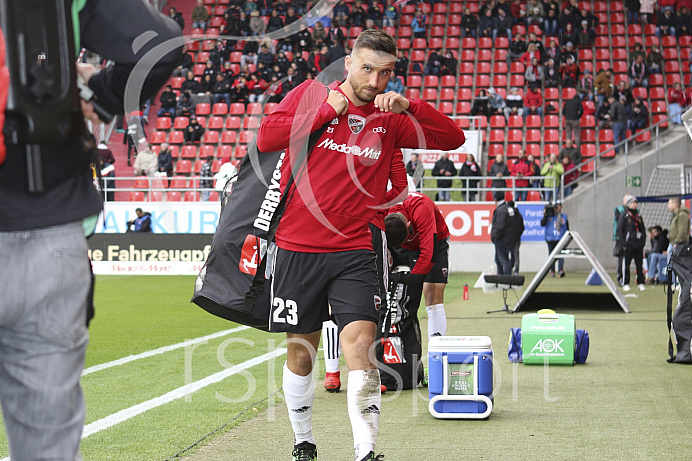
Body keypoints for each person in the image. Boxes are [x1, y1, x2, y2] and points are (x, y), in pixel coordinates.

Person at [254, 29, 465, 461]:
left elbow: (453, 138)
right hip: (298, 247)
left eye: (386, 72)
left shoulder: (391, 117)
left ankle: (366, 452)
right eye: (367, 68)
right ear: (348, 63)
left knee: (361, 345)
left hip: (355, 250)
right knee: (301, 354)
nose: (375, 80)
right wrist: (324, 113)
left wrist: (412, 106)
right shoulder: (312, 95)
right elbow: (266, 138)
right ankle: (303, 442)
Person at [0, 2, 180, 459]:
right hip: (45, 218)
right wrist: (96, 93)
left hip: (44, 218)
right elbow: (160, 46)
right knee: (49, 446)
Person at [385, 192, 452, 339]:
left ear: (409, 225)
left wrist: (413, 280)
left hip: (434, 242)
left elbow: (428, 254)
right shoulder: (383, 207)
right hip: (396, 244)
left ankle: (436, 353)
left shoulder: (422, 208)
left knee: (433, 296)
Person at [617, 195, 647, 291]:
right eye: (633, 203)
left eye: (636, 203)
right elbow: (620, 230)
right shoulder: (624, 215)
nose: (635, 205)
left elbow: (643, 230)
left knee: (639, 264)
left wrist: (642, 242)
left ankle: (640, 282)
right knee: (626, 265)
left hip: (638, 245)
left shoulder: (639, 216)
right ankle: (626, 282)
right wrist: (624, 243)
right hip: (628, 244)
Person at [491, 197, 524, 275]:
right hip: (513, 238)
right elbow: (521, 227)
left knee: (503, 260)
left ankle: (506, 278)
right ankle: (512, 272)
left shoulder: (502, 211)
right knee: (512, 256)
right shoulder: (517, 215)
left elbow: (500, 225)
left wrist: (495, 236)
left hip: (503, 239)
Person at [665, 197, 691, 286]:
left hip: (679, 244)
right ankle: (674, 282)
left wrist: (677, 242)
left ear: (675, 204)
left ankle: (679, 282)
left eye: (670, 204)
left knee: (678, 264)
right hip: (673, 243)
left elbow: (682, 230)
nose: (668, 206)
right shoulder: (675, 215)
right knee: (672, 264)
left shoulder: (682, 215)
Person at [540, 201, 569, 277]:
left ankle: (560, 270)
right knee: (551, 256)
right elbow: (542, 223)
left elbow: (567, 228)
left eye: (558, 206)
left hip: (560, 238)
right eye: (555, 206)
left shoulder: (564, 217)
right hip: (551, 238)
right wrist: (545, 213)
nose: (556, 208)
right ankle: (552, 271)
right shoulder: (549, 217)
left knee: (561, 255)